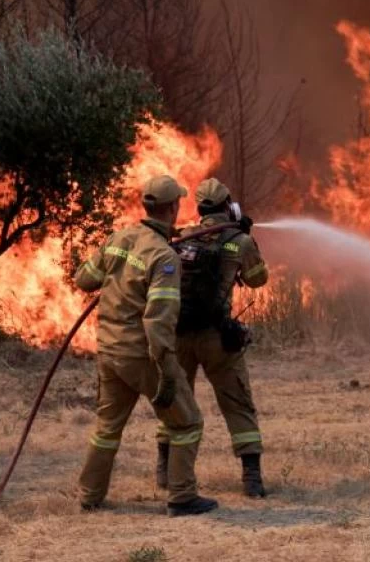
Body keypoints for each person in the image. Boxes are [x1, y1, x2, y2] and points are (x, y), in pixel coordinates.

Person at [74, 175, 218, 517]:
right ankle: (182, 496)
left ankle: (90, 495)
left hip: (109, 351)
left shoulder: (120, 238)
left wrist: (117, 277)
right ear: (172, 207)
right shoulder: (164, 258)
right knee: (186, 422)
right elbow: (159, 320)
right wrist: (168, 371)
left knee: (107, 429)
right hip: (142, 355)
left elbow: (84, 279)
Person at [155, 178, 270, 497]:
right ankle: (252, 478)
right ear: (227, 206)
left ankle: (164, 469)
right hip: (216, 337)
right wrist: (247, 240)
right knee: (237, 401)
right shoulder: (238, 241)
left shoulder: (182, 237)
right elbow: (258, 280)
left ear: (200, 208)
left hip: (178, 335)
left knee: (176, 400)